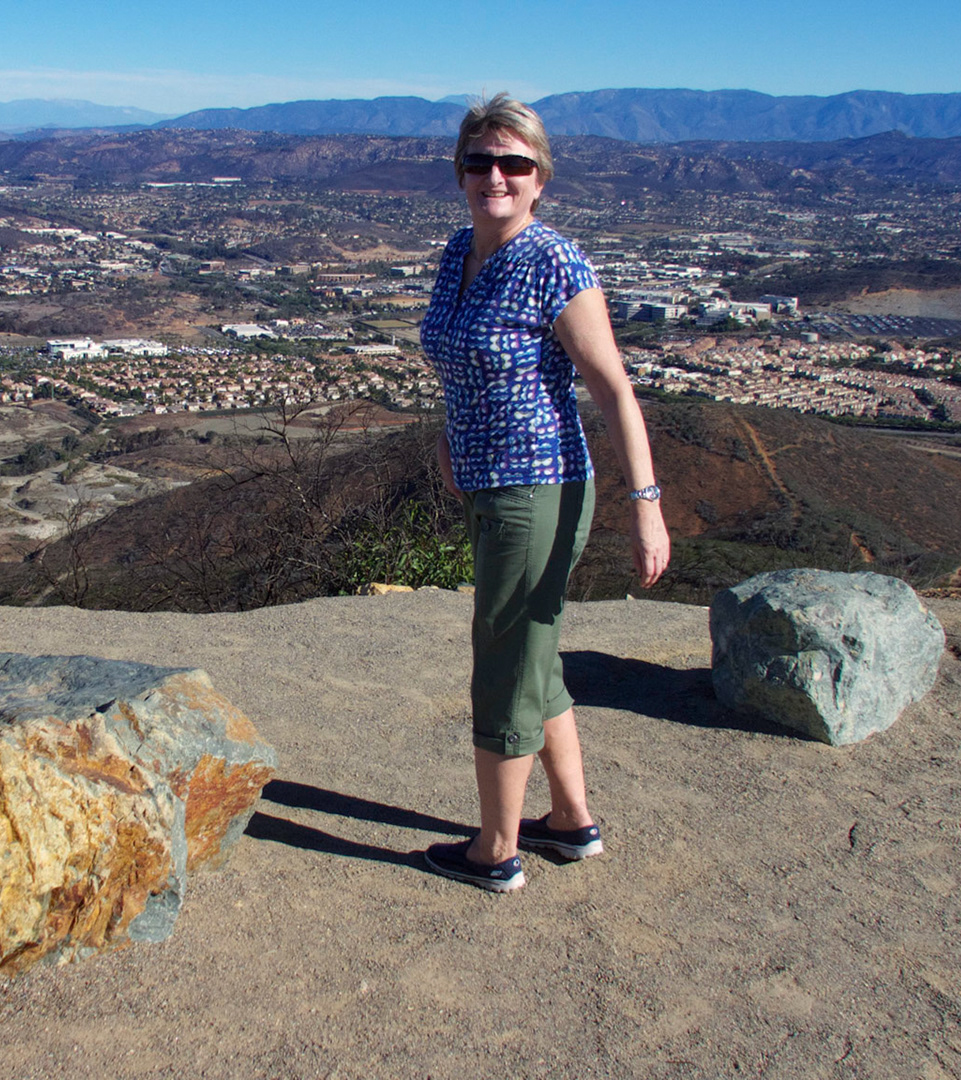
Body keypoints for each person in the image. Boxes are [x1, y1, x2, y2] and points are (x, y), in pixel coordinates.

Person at [419, 94, 670, 892]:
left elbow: (613, 390)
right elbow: (460, 369)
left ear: (539, 181)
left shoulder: (556, 262)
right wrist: (449, 446)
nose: (495, 175)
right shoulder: (460, 249)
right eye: (480, 161)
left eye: (514, 164)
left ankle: (494, 851)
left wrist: (647, 502)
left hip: (540, 486)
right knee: (534, 651)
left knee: (501, 664)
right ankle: (569, 821)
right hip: (489, 482)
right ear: (460, 172)